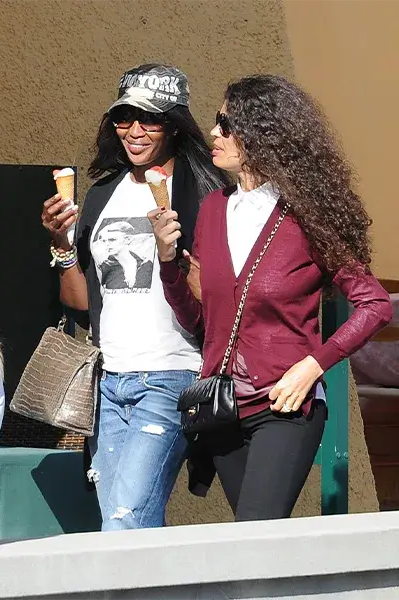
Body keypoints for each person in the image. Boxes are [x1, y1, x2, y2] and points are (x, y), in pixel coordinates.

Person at [150, 74, 393, 522]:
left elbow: (375, 305)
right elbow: (197, 319)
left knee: (258, 529)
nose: (214, 133)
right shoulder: (213, 210)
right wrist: (167, 263)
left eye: (227, 123)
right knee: (254, 545)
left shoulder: (305, 214)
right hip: (221, 408)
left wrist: (313, 365)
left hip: (285, 404)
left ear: (263, 133)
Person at [41, 63, 229, 530]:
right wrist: (62, 246)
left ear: (174, 124)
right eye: (124, 118)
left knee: (126, 521)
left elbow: (219, 296)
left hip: (170, 374)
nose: (135, 131)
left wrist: (174, 255)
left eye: (150, 119)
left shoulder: (205, 190)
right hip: (110, 381)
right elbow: (83, 302)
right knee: (120, 522)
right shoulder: (103, 194)